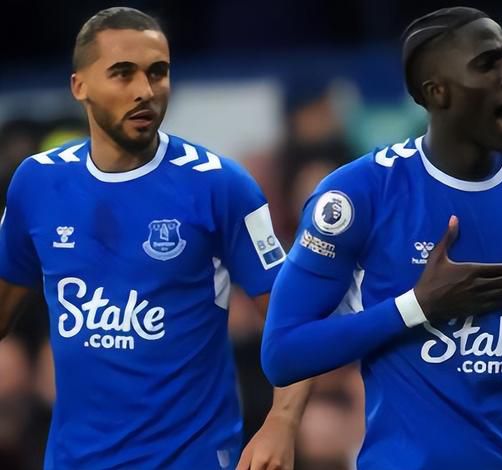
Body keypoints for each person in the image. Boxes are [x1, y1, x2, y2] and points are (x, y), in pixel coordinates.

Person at [261, 7, 502, 470]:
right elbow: (283, 353)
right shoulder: (359, 194)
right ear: (438, 92)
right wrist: (417, 306)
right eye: (488, 64)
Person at [0, 7, 310, 469]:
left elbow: (297, 320)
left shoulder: (221, 186)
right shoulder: (36, 183)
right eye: (122, 74)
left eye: (157, 73)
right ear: (79, 86)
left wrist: (281, 423)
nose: (145, 91)